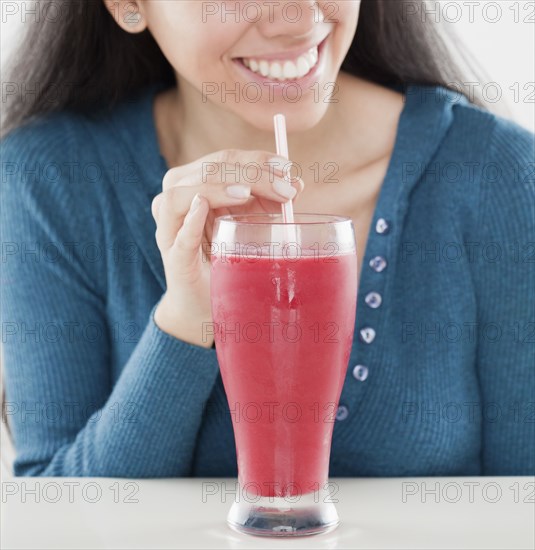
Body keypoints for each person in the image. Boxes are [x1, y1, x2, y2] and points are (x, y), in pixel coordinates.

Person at [1, 0, 533, 478]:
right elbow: (58, 514)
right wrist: (188, 316)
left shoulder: (497, 177)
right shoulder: (49, 182)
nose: (299, 19)